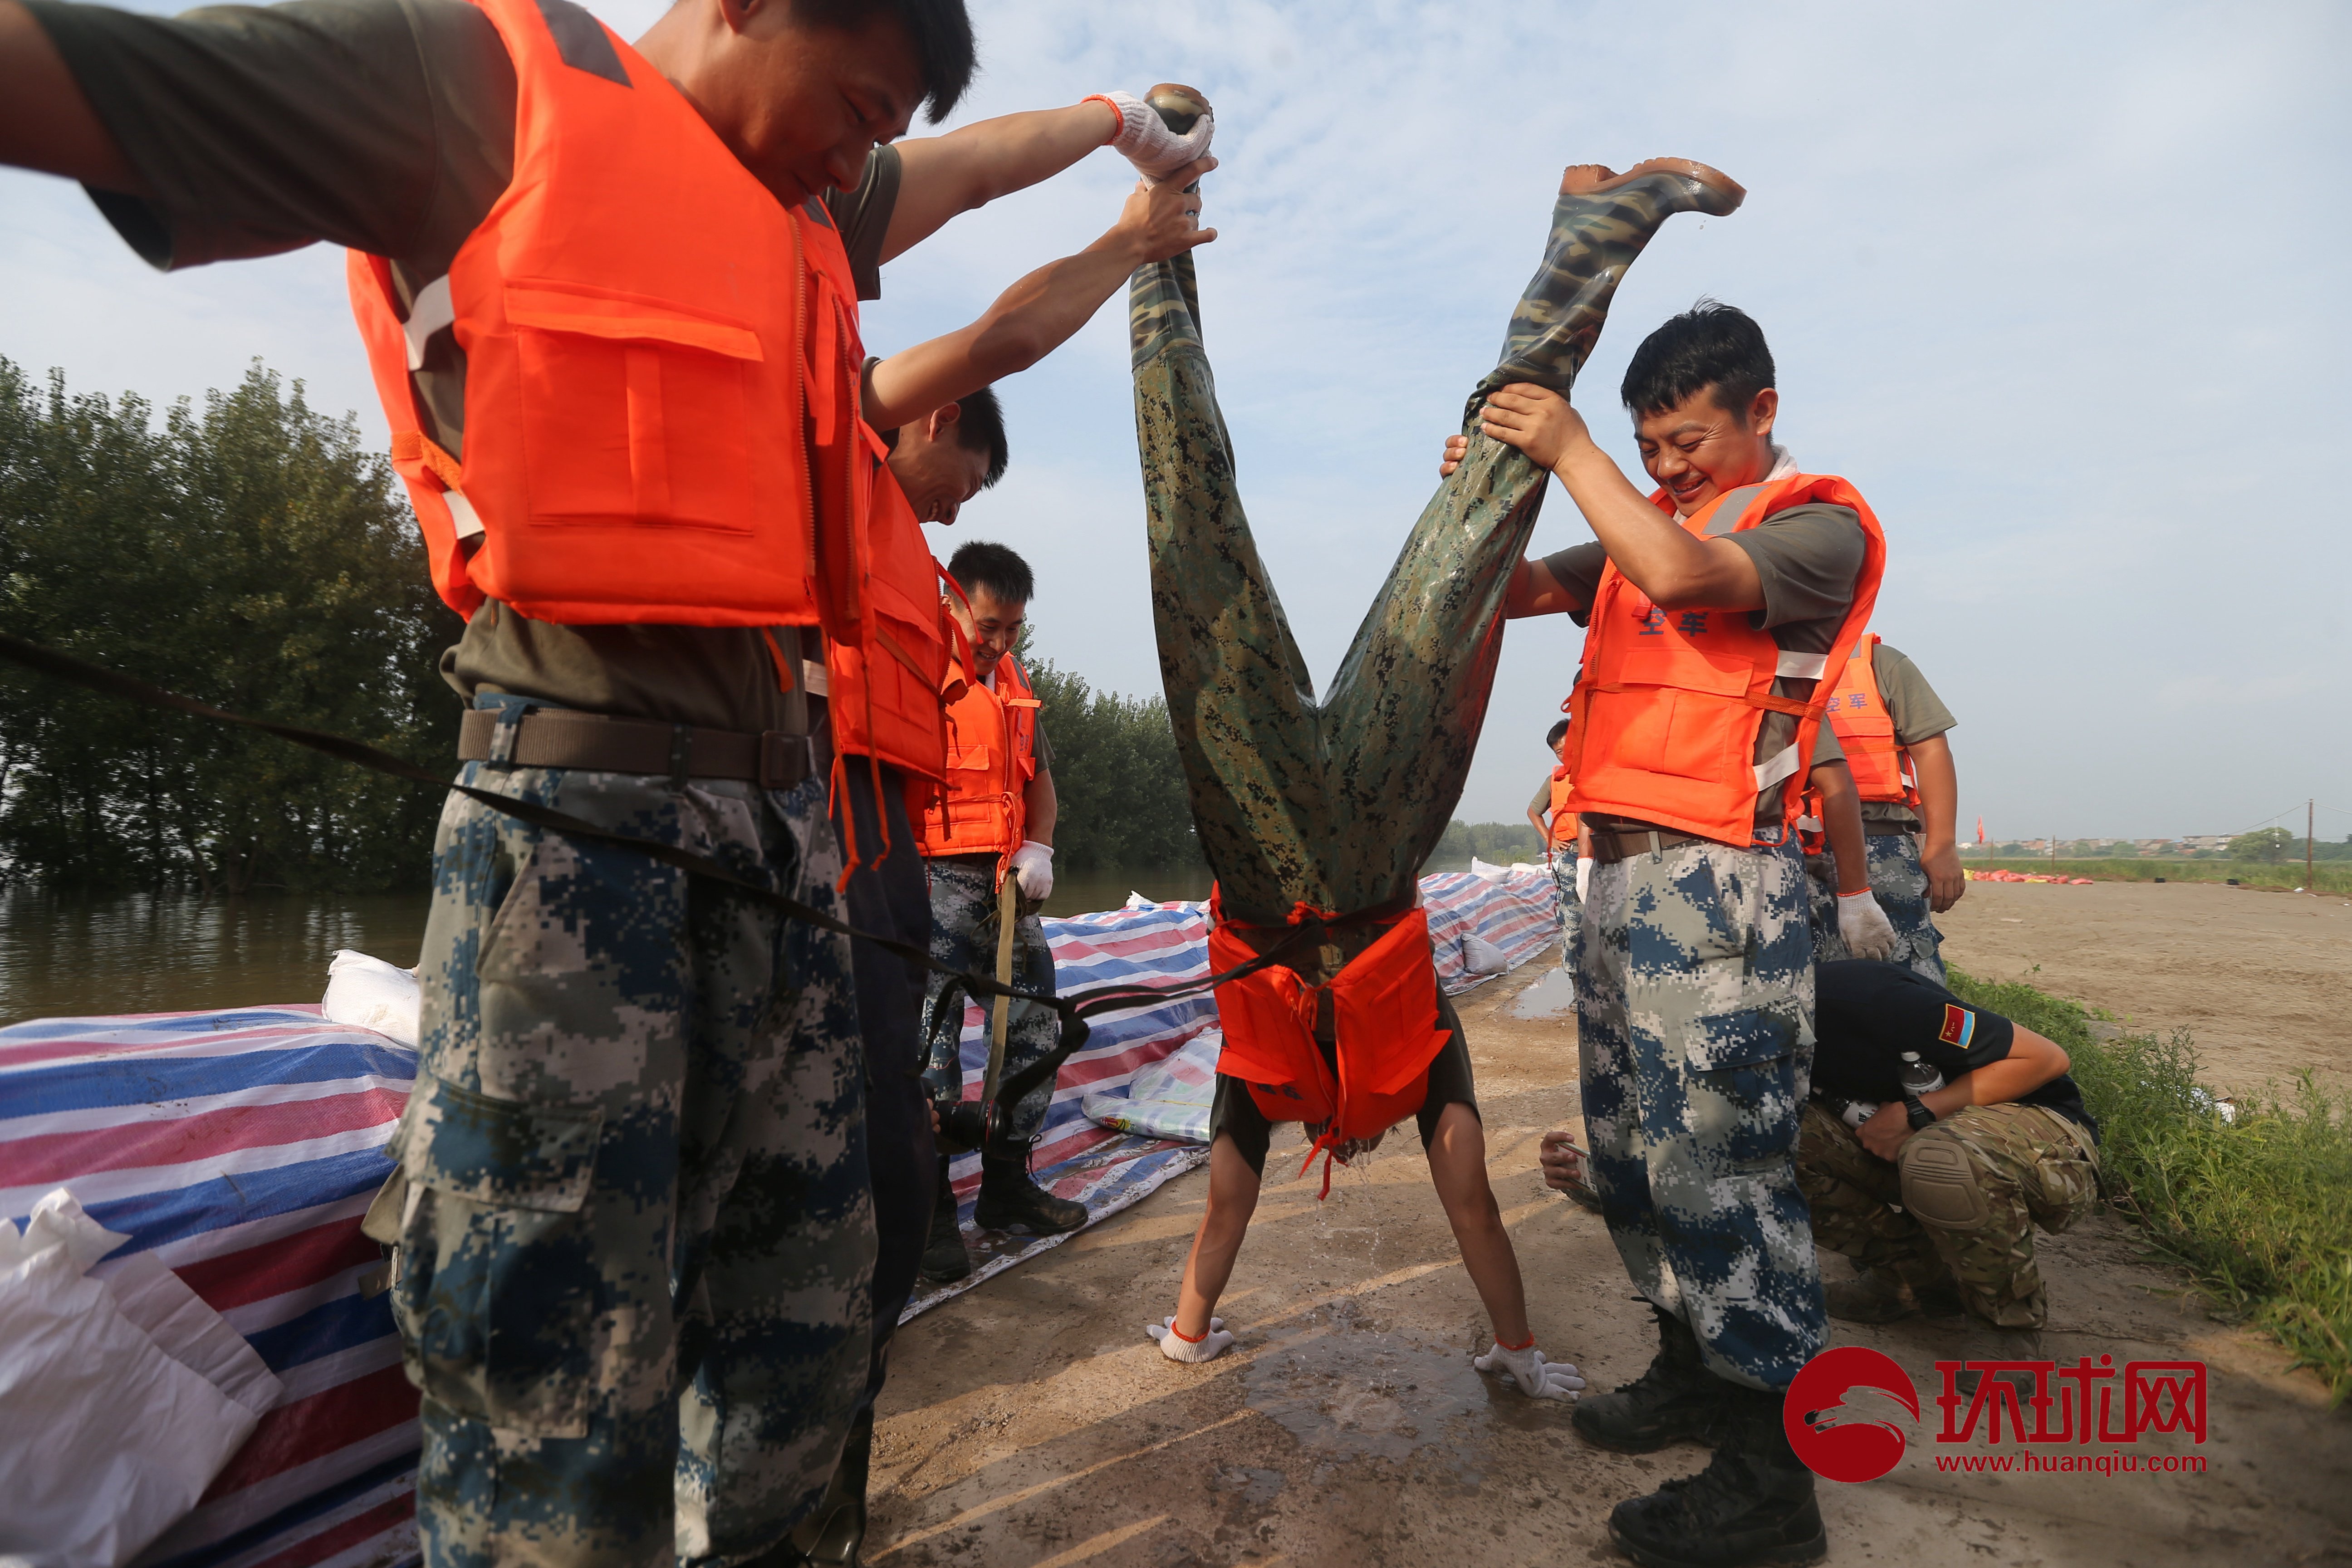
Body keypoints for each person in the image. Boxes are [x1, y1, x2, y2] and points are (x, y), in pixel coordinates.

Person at [0, 0, 1210, 1557]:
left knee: (802, 1340)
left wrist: (1117, 132)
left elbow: (960, 170)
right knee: (551, 1389)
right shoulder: (476, 90)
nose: (865, 152)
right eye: (855, 103)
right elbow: (83, 75)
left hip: (784, 849)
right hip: (577, 842)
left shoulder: (799, 198)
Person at [1444, 299, 1882, 1567]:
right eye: (1648, 448)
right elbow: (1524, 587)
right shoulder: (1649, 529)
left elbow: (1690, 578)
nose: (1667, 468)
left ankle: (1770, 1476)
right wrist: (1499, 483)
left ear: (1763, 410)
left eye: (1687, 440)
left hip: (1720, 890)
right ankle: (1693, 1367)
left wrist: (1571, 447)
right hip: (1617, 881)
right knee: (1637, 1155)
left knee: (1725, 1169)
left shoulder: (1812, 529)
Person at [1144, 937, 1588, 1414]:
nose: (1346, 1152)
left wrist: (1186, 1337)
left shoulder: (1264, 1045)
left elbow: (1225, 1207)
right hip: (1341, 967)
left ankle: (1190, 1329)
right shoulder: (1418, 1021)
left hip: (1280, 971)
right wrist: (1518, 1350)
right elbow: (1472, 1209)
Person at [1794, 959, 2100, 1391]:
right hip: (1908, 1136)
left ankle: (2006, 1326)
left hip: (2039, 1131)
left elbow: (2046, 1058)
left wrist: (1919, 1112)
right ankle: (1911, 1277)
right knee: (1766, 1139)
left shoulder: (1871, 1000)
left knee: (1938, 1156)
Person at [914, 539, 1085, 1279]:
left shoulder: (1011, 678)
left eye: (1013, 628)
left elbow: (1039, 777)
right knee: (932, 1056)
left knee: (1037, 1032)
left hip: (1007, 891)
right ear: (951, 603)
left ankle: (1005, 1187)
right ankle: (927, 1215)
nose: (1000, 642)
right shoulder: (911, 668)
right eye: (988, 626)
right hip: (930, 890)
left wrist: (1038, 848)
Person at [1798, 637, 1965, 979]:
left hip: (1880, 844)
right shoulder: (1759, 658)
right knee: (1817, 984)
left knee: (1906, 976)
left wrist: (1941, 844)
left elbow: (1930, 750)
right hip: (1789, 848)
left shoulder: (1879, 664)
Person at [1526, 714, 1588, 968]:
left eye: (1567, 748)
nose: (1564, 755)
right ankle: (1577, 986)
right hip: (1572, 856)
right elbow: (1534, 810)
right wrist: (1550, 839)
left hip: (1606, 854)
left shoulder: (1601, 773)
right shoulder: (1555, 781)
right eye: (1558, 752)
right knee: (1574, 923)